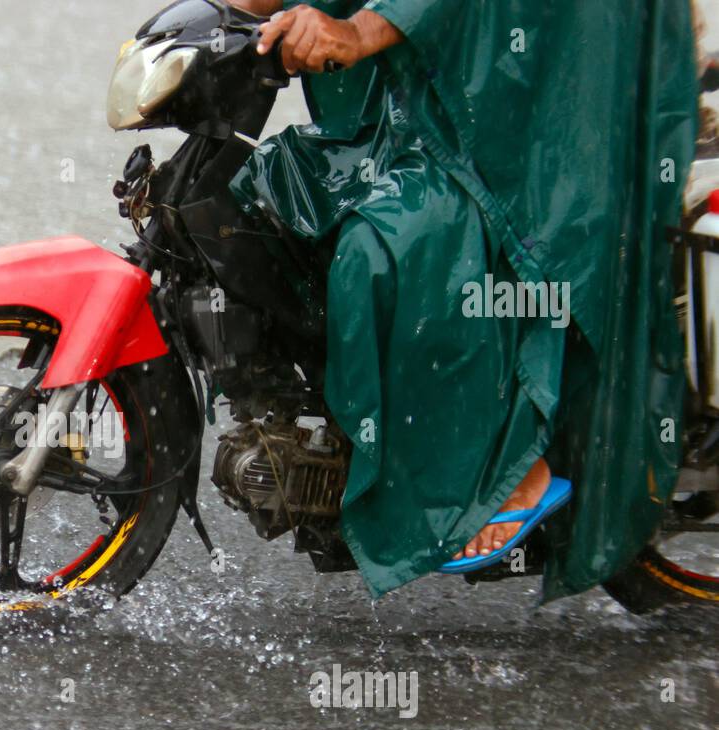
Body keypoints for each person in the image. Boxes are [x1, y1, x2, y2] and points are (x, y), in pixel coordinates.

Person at [228, 0, 698, 599]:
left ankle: (517, 460)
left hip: (561, 56)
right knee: (288, 185)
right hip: (466, 69)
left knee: (398, 242)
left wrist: (357, 29)